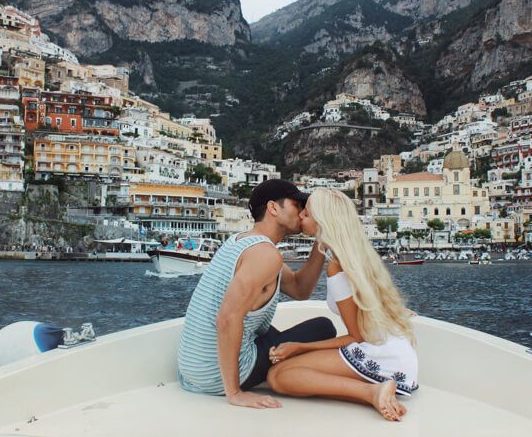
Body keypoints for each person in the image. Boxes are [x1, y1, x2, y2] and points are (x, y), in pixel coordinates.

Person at [177, 179, 336, 409]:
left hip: (192, 370)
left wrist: (321, 239)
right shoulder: (264, 255)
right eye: (297, 204)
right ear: (273, 208)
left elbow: (300, 290)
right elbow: (227, 319)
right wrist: (234, 393)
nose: (303, 212)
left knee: (272, 333)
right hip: (213, 376)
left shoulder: (241, 242)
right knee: (323, 327)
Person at [266, 188, 417, 421]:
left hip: (379, 354)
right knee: (286, 372)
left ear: (324, 221)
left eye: (307, 213)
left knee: (278, 376)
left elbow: (356, 337)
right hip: (396, 353)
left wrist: (300, 347)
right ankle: (375, 391)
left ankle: (372, 391)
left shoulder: (337, 266)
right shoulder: (358, 256)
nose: (301, 217)